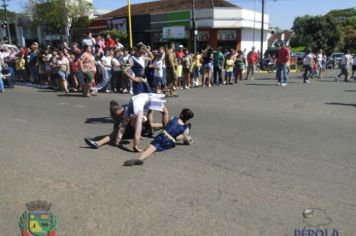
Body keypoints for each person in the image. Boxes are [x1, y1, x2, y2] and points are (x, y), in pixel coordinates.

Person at [123, 108, 194, 166]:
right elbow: (178, 138)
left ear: (181, 114)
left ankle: (140, 159)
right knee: (153, 148)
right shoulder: (185, 128)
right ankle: (143, 156)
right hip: (170, 142)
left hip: (163, 136)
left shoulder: (174, 118)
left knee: (152, 147)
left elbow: (166, 125)